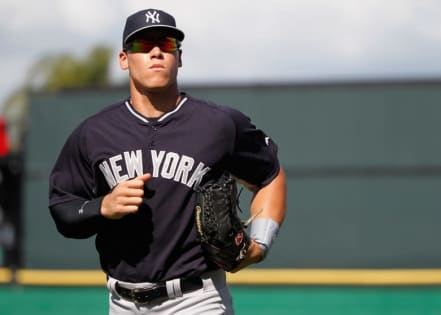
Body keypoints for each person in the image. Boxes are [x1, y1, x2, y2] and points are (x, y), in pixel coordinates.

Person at [49, 8, 286, 315]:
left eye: (167, 44)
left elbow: (270, 175)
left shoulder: (218, 125)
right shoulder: (94, 134)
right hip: (121, 303)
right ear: (124, 59)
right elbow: (62, 206)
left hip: (197, 298)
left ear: (180, 56)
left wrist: (260, 244)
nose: (157, 51)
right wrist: (102, 207)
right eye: (143, 45)